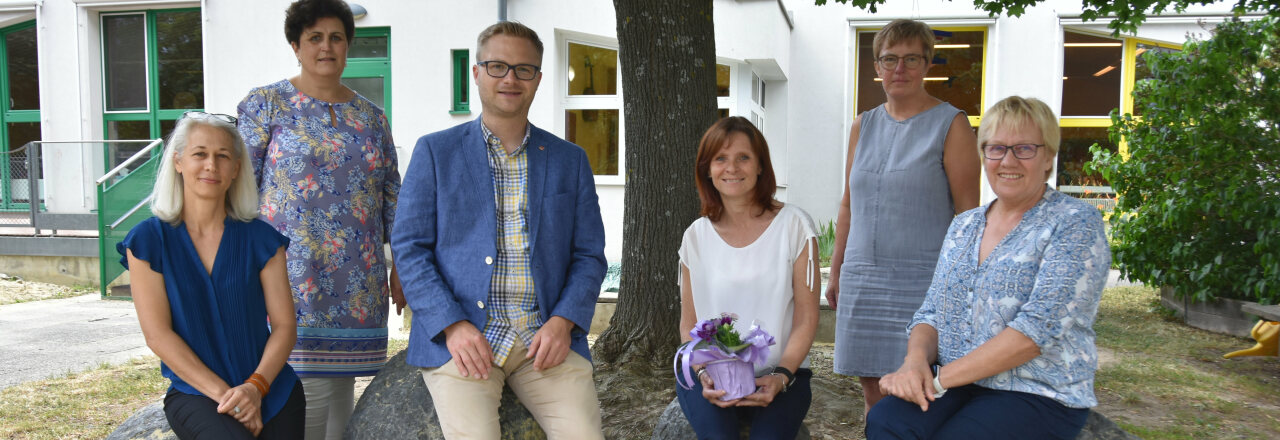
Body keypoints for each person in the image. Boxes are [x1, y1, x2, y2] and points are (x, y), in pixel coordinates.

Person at [390, 21, 607, 439]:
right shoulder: (435, 151)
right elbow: (410, 247)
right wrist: (452, 324)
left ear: (538, 79)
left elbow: (589, 255)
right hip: (464, 338)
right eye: (497, 66)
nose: (510, 78)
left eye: (524, 69)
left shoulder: (570, 160)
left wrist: (563, 321)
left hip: (542, 338)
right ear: (476, 73)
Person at [866, 96, 1111, 439]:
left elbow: (1034, 332)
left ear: (1048, 158)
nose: (1008, 160)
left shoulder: (1074, 222)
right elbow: (932, 311)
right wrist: (914, 363)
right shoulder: (964, 225)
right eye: (996, 148)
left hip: (1037, 390)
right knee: (886, 421)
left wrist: (936, 380)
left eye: (1024, 148)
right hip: (957, 383)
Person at [235, 1, 402, 438]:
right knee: (303, 393)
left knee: (341, 393)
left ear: (348, 46)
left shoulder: (372, 117)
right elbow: (239, 189)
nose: (326, 47)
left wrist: (402, 264)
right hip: (290, 276)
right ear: (295, 45)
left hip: (359, 280)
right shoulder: (265, 104)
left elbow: (391, 197)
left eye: (336, 37)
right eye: (314, 37)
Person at [826, 18, 981, 413]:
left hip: (923, 284)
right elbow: (848, 203)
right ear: (876, 68)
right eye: (889, 59)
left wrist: (964, 285)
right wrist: (838, 266)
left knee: (917, 394)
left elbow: (968, 217)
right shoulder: (863, 125)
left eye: (911, 59)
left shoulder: (952, 124)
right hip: (863, 278)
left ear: (928, 65)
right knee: (872, 393)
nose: (899, 69)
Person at [119, 112, 303, 439]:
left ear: (235, 169)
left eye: (222, 156)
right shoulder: (147, 241)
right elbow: (158, 335)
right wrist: (230, 398)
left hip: (271, 388)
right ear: (178, 162)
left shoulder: (262, 240)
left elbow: (285, 326)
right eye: (199, 154)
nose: (211, 165)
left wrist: (254, 388)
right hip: (197, 393)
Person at [675, 116, 821, 439]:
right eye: (720, 159)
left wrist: (782, 375)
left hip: (783, 377)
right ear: (707, 170)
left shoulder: (795, 227)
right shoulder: (695, 237)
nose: (732, 168)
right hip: (710, 375)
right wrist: (701, 375)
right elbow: (689, 324)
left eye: (743, 157)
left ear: (760, 167)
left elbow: (807, 317)